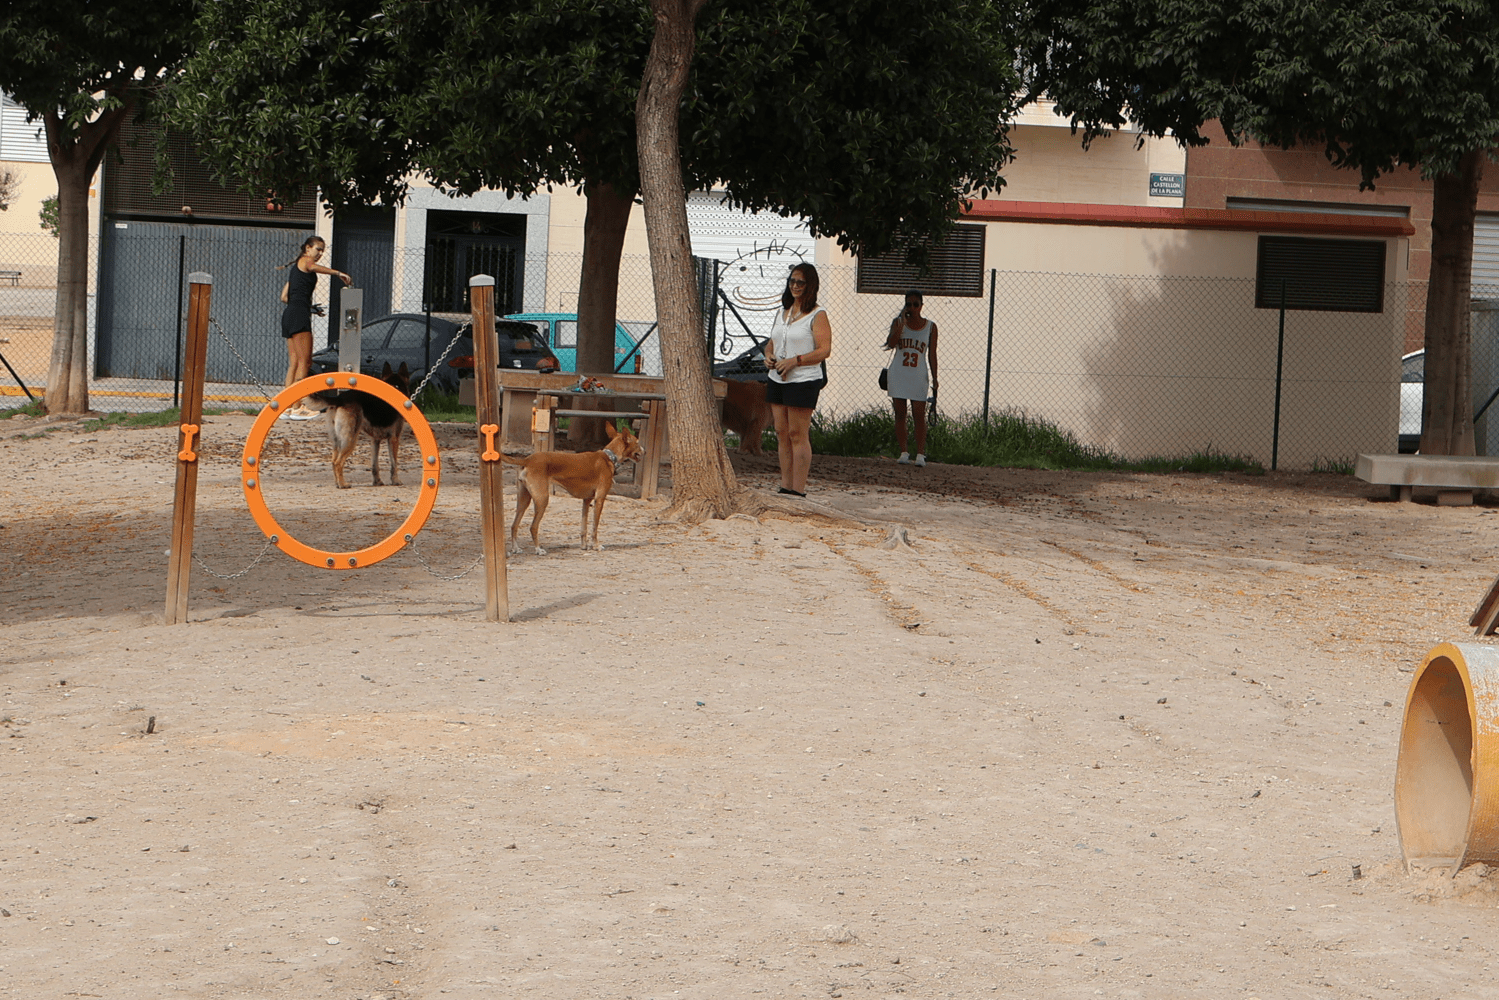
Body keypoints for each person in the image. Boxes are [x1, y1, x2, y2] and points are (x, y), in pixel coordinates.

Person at [762, 263, 832, 497]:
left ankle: (798, 489)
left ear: (810, 285)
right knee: (781, 431)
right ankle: (785, 485)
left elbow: (824, 350)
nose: (795, 286)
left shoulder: (817, 315)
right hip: (777, 378)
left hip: (803, 379)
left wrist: (796, 361)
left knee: (797, 433)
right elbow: (772, 342)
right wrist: (768, 356)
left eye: (800, 282)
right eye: (792, 281)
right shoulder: (782, 312)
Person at [279, 236, 351, 420]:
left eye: (322, 251)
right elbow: (312, 266)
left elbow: (284, 297)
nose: (320, 254)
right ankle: (298, 406)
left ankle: (286, 407)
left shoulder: (296, 268)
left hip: (290, 314)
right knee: (305, 363)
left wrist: (309, 307)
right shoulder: (306, 261)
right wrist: (338, 273)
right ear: (307, 248)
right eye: (318, 249)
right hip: (299, 316)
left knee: (294, 363)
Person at [882, 289, 939, 467]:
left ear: (921, 306)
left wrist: (935, 378)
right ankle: (904, 452)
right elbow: (891, 344)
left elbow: (932, 355)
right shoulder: (898, 322)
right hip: (899, 373)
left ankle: (920, 454)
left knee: (919, 414)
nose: (912, 308)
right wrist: (902, 324)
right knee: (900, 413)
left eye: (916, 304)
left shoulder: (930, 327)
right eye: (909, 304)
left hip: (918, 374)